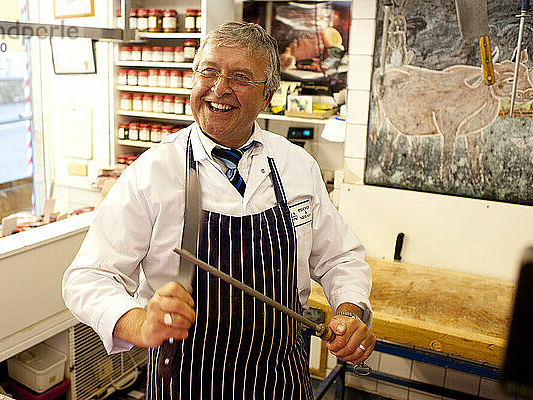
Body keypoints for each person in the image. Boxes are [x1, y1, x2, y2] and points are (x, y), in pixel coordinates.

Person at [62, 21, 375, 399]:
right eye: (208, 71)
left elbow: (341, 257)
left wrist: (349, 312)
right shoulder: (153, 172)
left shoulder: (297, 166)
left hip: (279, 382)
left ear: (268, 95)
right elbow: (87, 278)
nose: (219, 88)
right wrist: (141, 323)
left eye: (240, 77)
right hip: (187, 383)